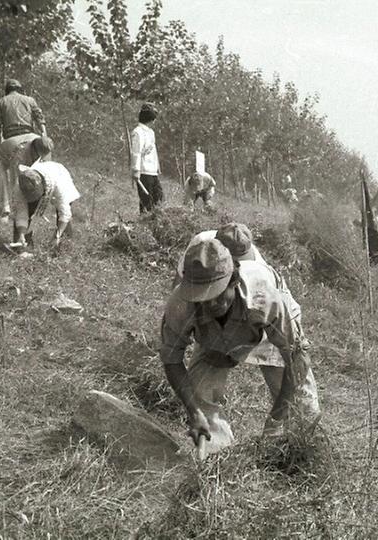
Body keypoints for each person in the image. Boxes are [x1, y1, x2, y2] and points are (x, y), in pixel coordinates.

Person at [160, 239, 321, 454]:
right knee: (200, 393)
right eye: (201, 298)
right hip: (214, 338)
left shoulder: (265, 298)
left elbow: (297, 357)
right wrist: (194, 411)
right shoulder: (181, 304)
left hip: (265, 329)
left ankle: (294, 459)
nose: (209, 305)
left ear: (233, 282)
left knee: (301, 409)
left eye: (216, 295)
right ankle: (217, 460)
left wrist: (275, 419)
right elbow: (171, 359)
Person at [0, 79, 47, 219]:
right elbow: (40, 120)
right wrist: (44, 137)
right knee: (38, 171)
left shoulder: (0, 102)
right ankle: (39, 206)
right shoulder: (30, 100)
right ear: (20, 89)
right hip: (32, 138)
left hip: (11, 140)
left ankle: (5, 207)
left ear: (7, 90)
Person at [11, 162, 80, 255]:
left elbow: (65, 213)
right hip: (44, 179)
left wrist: (57, 236)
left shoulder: (59, 185)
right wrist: (21, 233)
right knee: (29, 210)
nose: (31, 198)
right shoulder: (20, 186)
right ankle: (23, 245)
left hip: (60, 175)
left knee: (63, 218)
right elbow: (21, 212)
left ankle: (64, 247)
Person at [130, 103, 162, 213]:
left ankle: (156, 222)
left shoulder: (151, 132)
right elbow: (136, 152)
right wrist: (136, 171)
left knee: (159, 198)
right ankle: (145, 224)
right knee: (146, 201)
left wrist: (157, 166)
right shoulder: (137, 132)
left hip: (153, 171)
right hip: (143, 171)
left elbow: (154, 150)